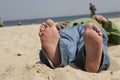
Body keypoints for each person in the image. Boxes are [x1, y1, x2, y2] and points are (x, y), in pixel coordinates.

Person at [39, 18, 110, 73]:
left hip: (93, 29)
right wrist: (58, 25)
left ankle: (92, 58)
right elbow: (54, 30)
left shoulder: (99, 23)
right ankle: (57, 54)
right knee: (65, 38)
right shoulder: (69, 23)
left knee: (87, 39)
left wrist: (105, 21)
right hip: (71, 28)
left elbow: (117, 36)